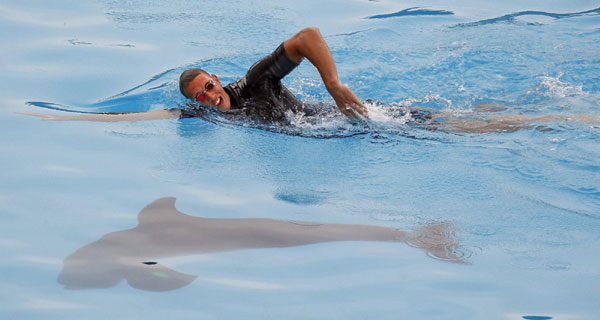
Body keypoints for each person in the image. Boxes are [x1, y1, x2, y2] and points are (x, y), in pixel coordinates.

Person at [21, 27, 599, 132]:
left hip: (359, 123)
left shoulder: (253, 85)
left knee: (462, 127)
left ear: (219, 79)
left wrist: (335, 87)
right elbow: (138, 118)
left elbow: (309, 35)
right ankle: (556, 115)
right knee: (465, 122)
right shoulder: (203, 118)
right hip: (350, 134)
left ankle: (569, 116)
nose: (211, 98)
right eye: (203, 96)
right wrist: (52, 116)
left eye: (210, 88)